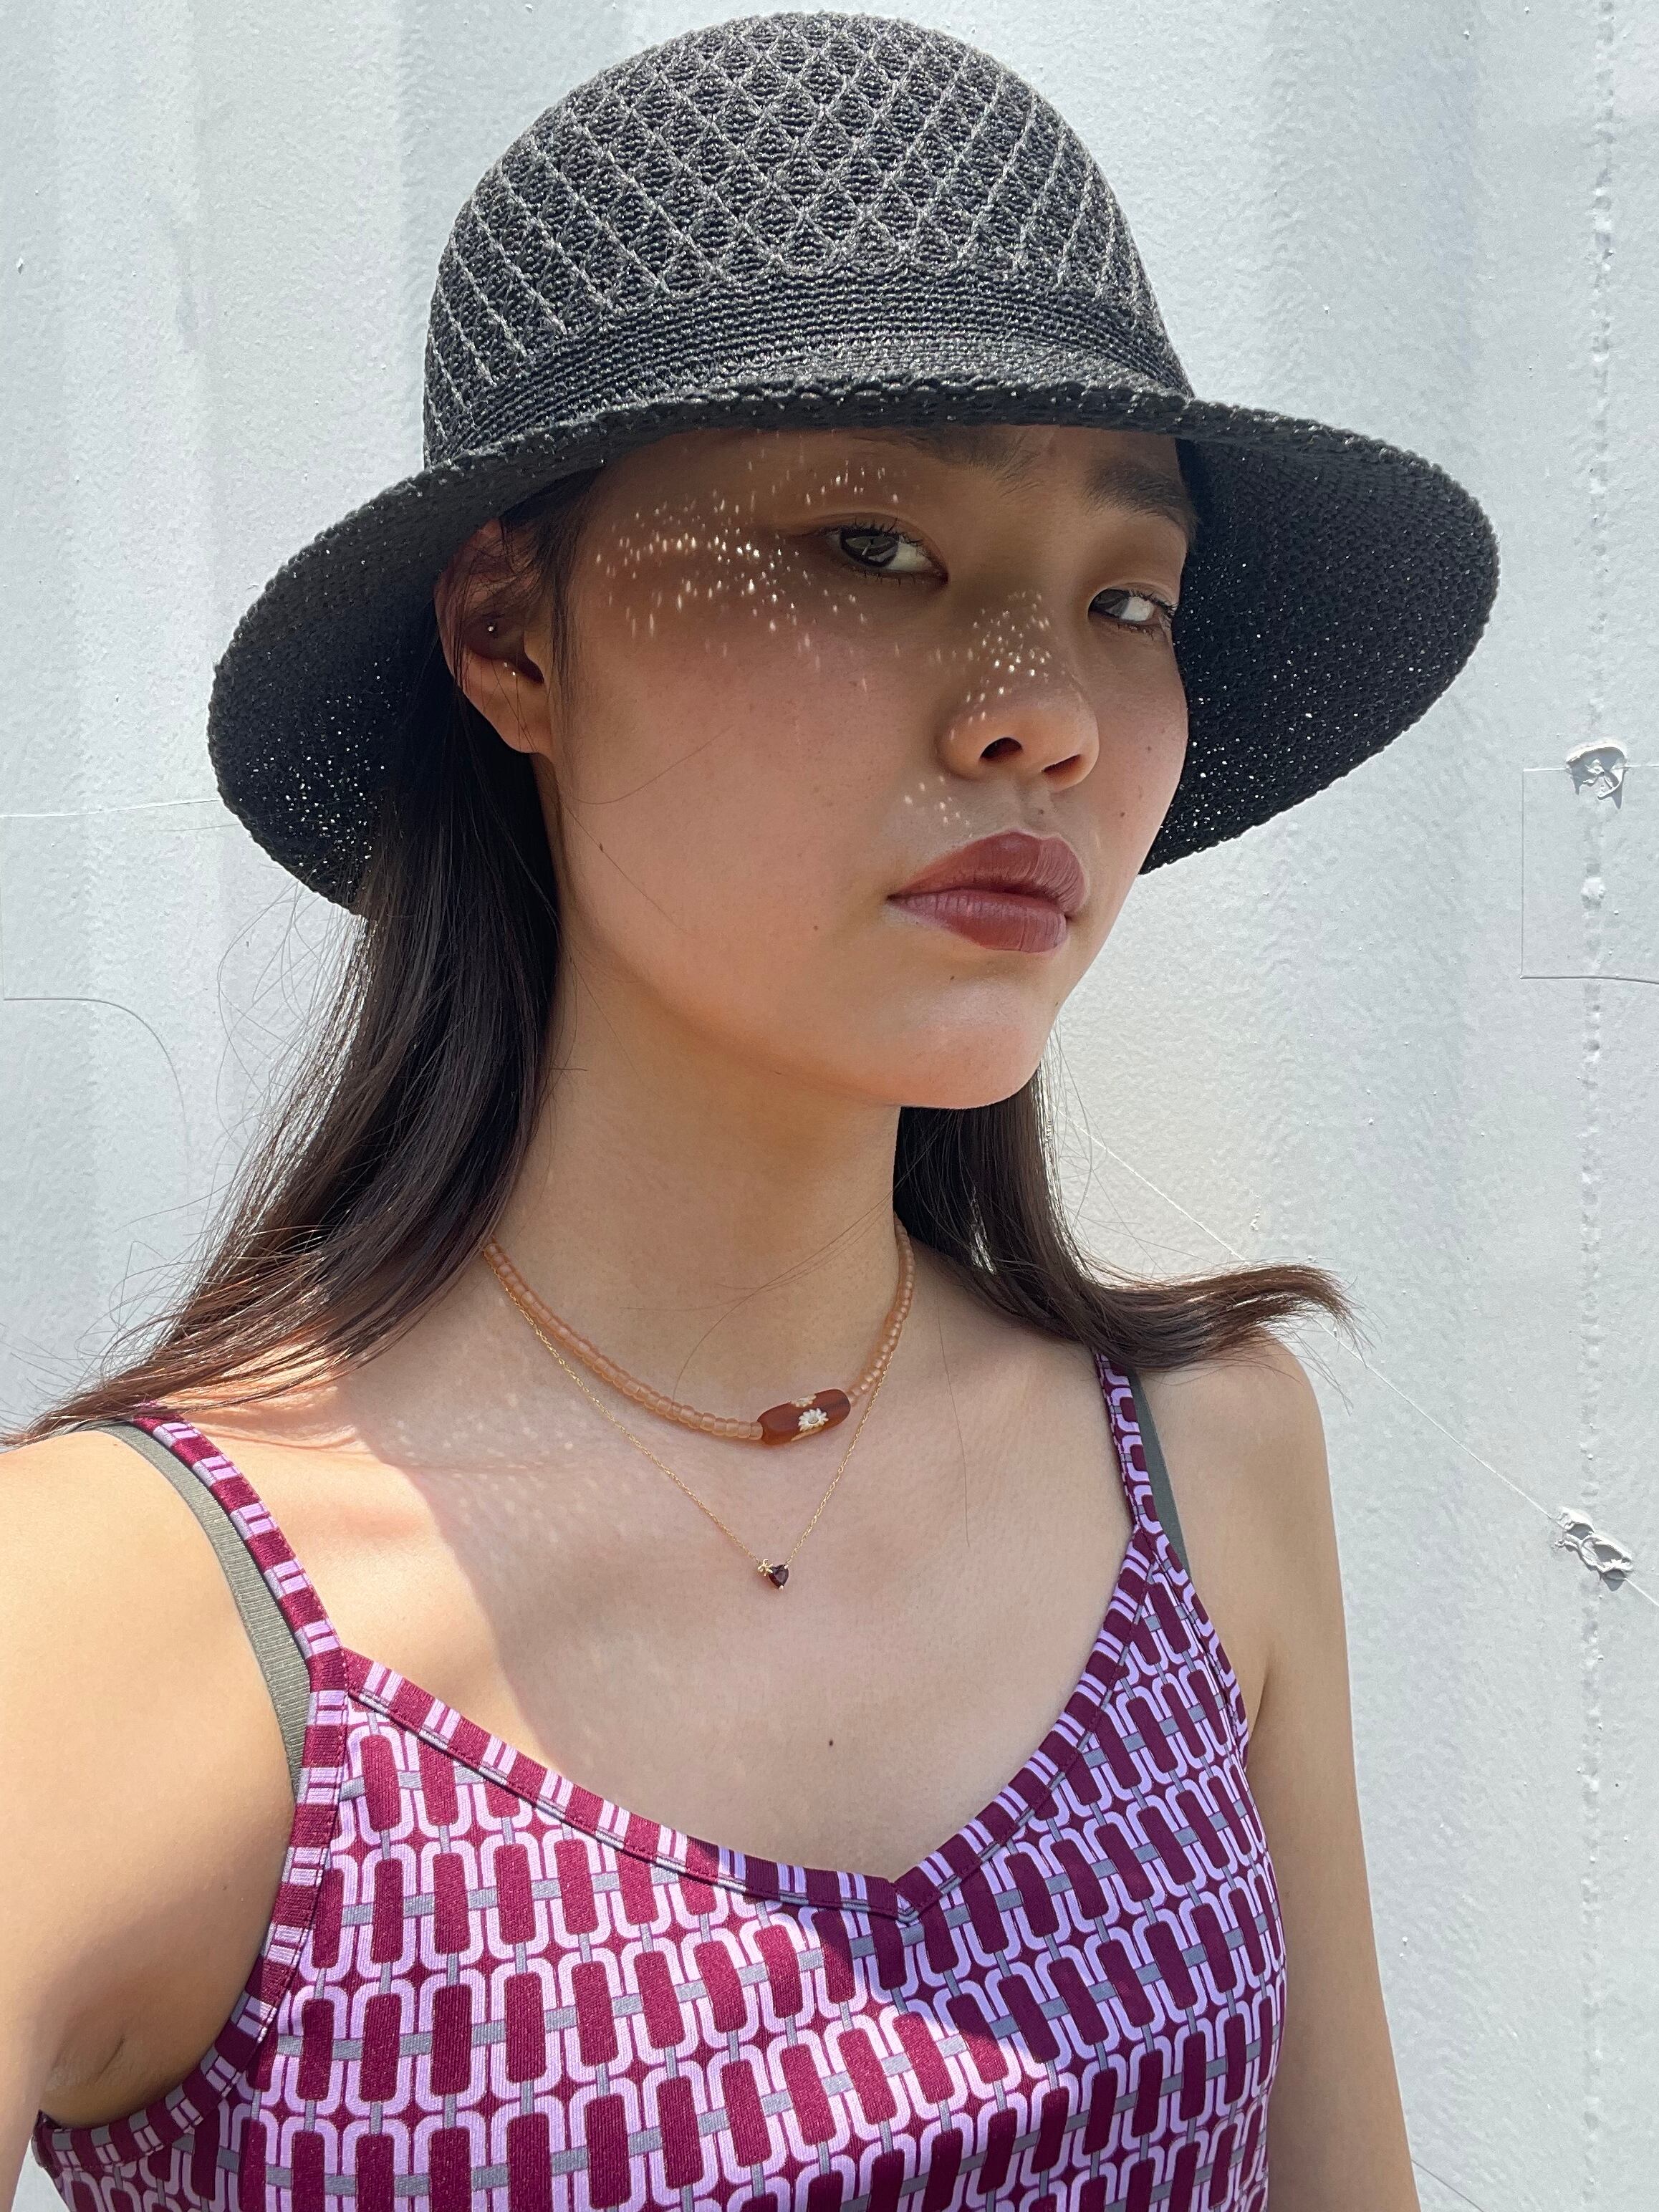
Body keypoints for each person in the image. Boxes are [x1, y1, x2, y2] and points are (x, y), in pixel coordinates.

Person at [1, 14, 1497, 2212]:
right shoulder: (124, 1615)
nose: (1043, 717)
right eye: (871, 544)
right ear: (512, 635)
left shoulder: (1202, 1468)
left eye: (1127, 598)